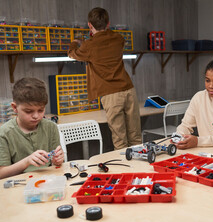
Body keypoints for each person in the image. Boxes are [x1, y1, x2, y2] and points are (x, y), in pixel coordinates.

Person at [68, 7, 141, 150]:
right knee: (136, 137)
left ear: (89, 25)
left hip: (111, 95)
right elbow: (108, 42)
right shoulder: (119, 39)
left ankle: (125, 171)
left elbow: (72, 54)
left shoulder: (89, 46)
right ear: (108, 23)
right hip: (129, 90)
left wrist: (75, 42)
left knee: (120, 140)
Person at [0, 78, 64, 179]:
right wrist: (26, 161)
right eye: (28, 111)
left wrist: (58, 160)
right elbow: (1, 173)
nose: (36, 116)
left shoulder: (50, 127)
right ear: (14, 107)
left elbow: (57, 164)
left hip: (48, 180)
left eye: (41, 110)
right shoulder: (4, 133)